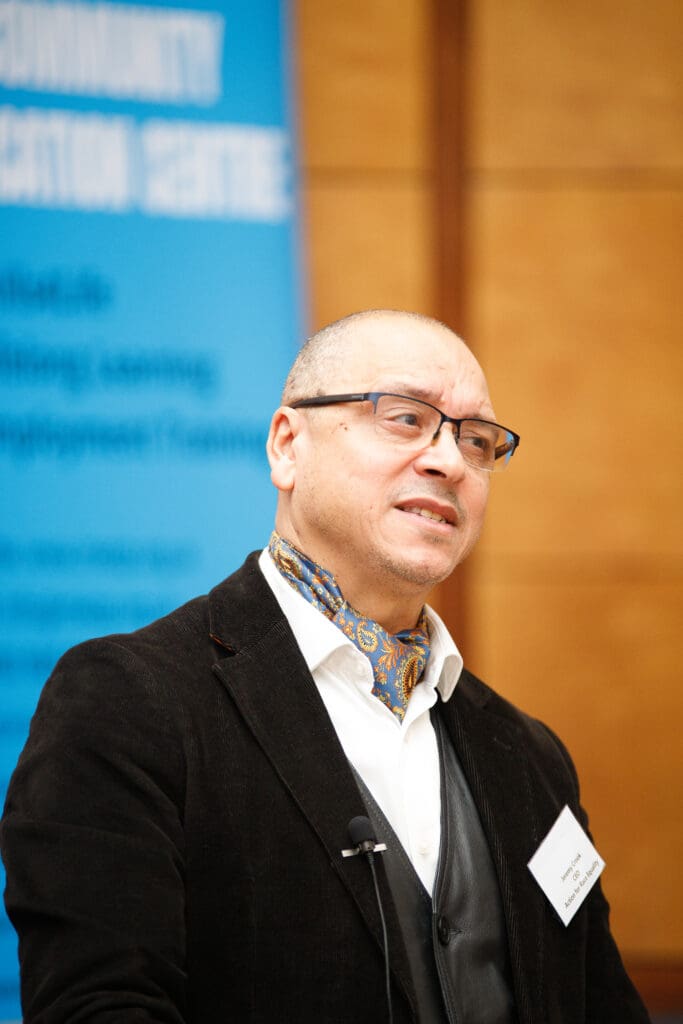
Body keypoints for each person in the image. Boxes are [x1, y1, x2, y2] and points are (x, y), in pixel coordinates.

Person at [1, 310, 649, 1022]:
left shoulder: (529, 757)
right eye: (404, 417)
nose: (448, 461)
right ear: (287, 446)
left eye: (476, 440)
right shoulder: (131, 702)